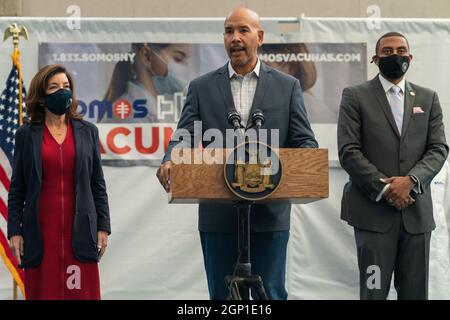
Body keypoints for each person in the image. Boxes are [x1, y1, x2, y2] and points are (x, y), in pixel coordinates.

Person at [156, 7, 318, 299]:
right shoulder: (202, 87)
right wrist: (171, 158)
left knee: (269, 294)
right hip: (218, 216)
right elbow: (185, 136)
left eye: (243, 30)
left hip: (269, 215)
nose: (235, 38)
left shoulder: (288, 87)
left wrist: (303, 166)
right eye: (229, 31)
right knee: (222, 295)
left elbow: (305, 142)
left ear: (260, 36)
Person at [338, 32, 448, 300]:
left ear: (410, 58)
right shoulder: (355, 96)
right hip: (372, 215)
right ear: (375, 59)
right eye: (387, 51)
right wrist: (387, 189)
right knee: (374, 291)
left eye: (401, 51)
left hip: (416, 216)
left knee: (414, 294)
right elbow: (349, 151)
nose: (395, 56)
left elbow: (438, 148)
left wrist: (409, 181)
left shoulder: (428, 98)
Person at [7, 64, 111, 300]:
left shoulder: (88, 132)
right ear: (42, 95)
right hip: (40, 234)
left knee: (81, 294)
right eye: (54, 87)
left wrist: (103, 226)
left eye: (66, 86)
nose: (62, 91)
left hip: (81, 232)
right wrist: (15, 231)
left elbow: (97, 185)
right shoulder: (26, 134)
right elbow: (17, 188)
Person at [101, 43, 192, 123]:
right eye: (178, 58)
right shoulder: (125, 114)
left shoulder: (161, 108)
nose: (185, 68)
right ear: (146, 56)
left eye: (186, 60)